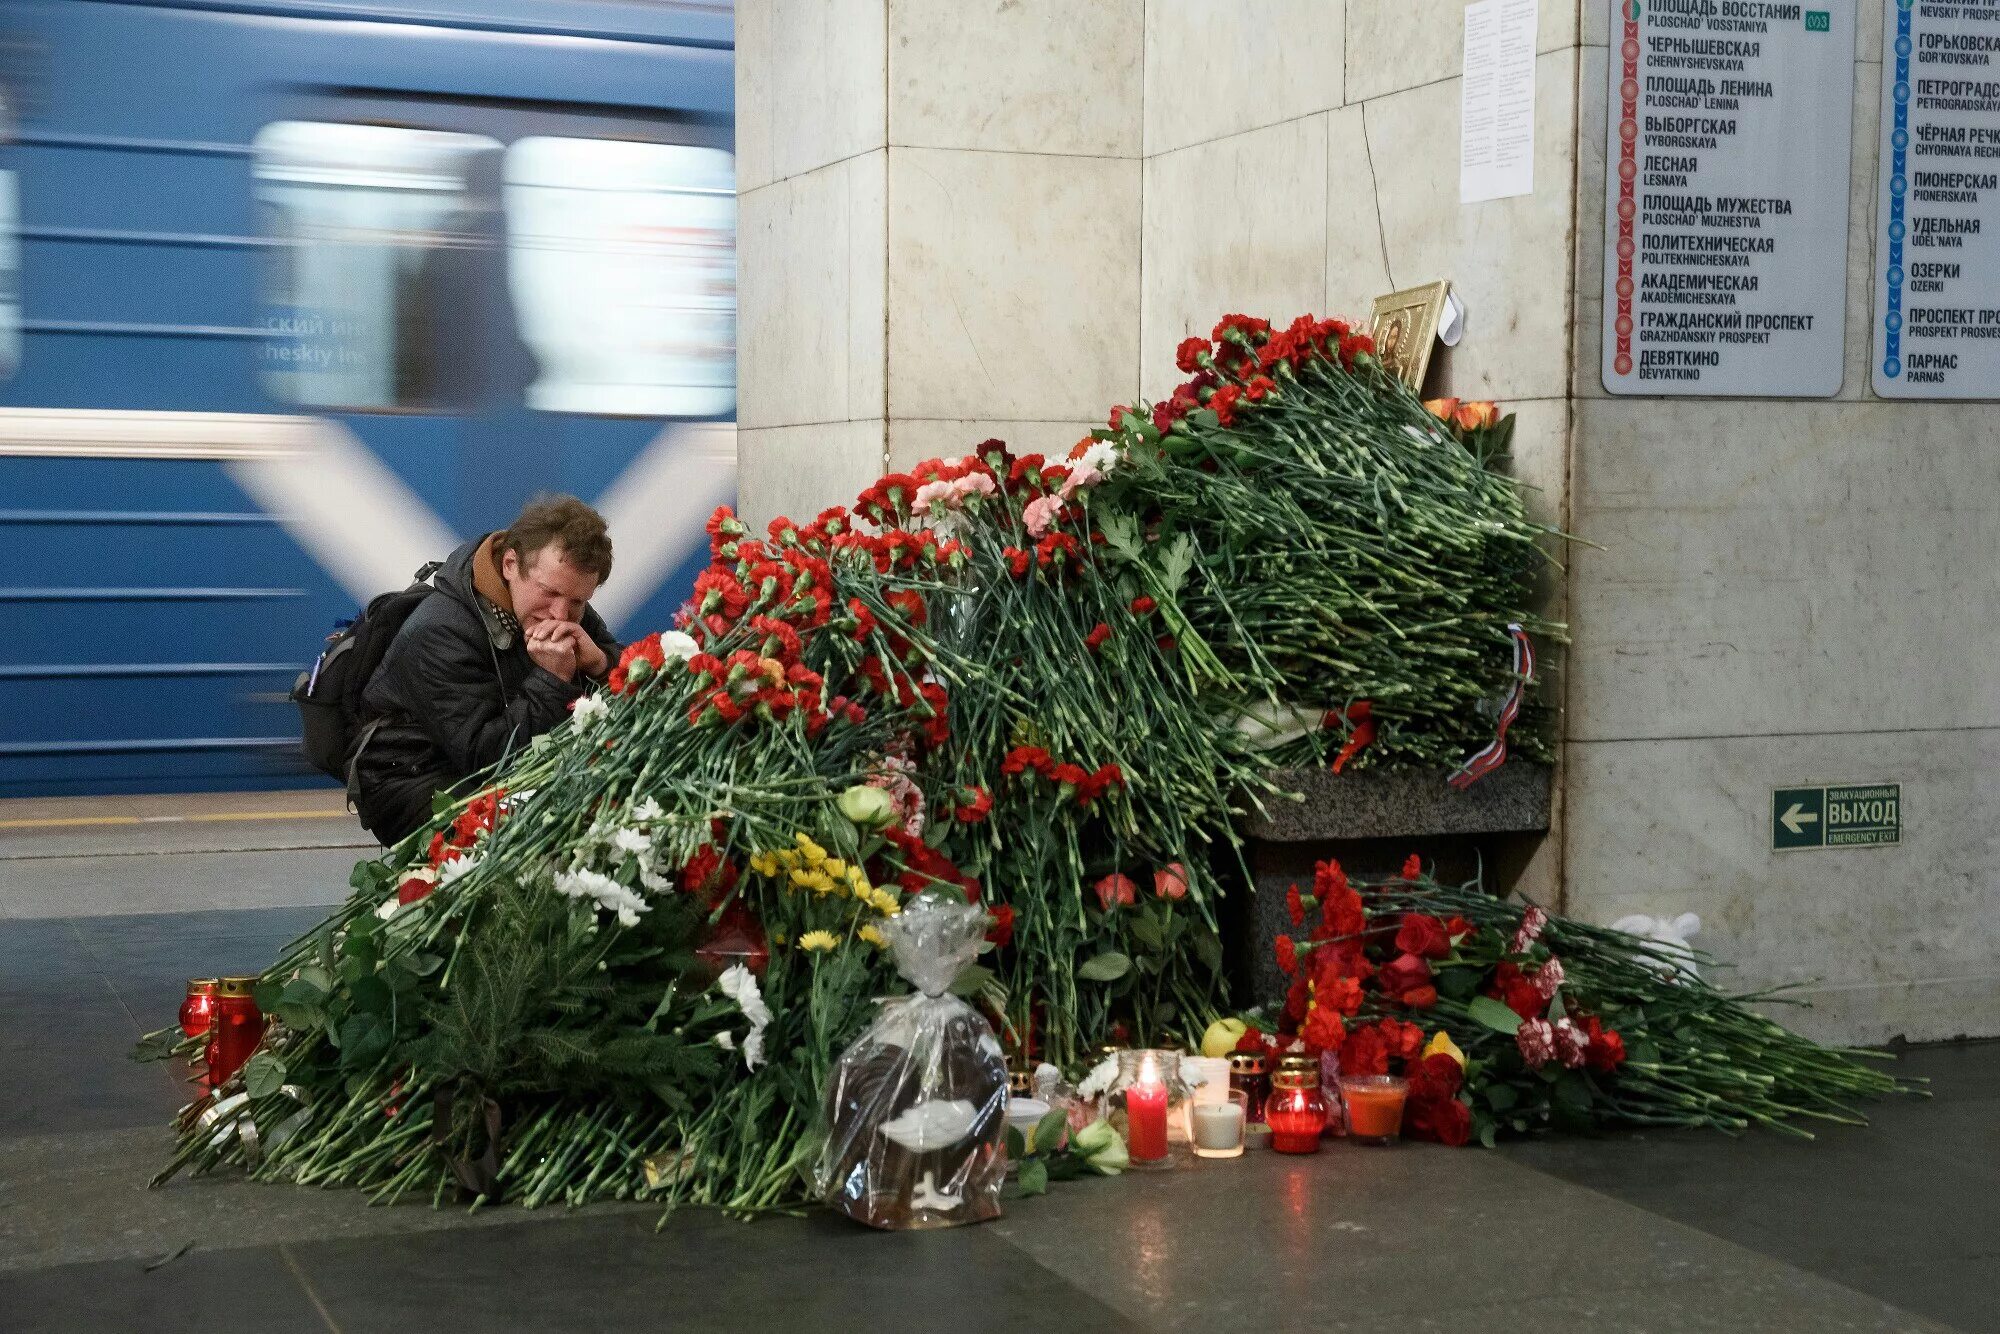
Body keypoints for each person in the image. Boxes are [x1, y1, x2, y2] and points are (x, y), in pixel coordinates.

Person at [351, 494, 620, 847]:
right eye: (549, 592)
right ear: (510, 564)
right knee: (541, 838)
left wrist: (599, 664)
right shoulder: (441, 631)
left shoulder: (562, 607)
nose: (560, 614)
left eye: (577, 601)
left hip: (478, 768)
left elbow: (624, 665)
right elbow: (487, 756)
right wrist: (553, 679)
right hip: (411, 781)